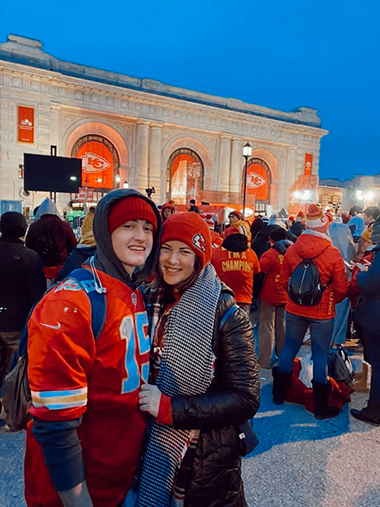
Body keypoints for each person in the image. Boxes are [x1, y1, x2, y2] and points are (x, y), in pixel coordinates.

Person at [24, 189, 162, 507]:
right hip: (77, 488)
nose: (140, 236)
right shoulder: (70, 302)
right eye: (128, 226)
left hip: (119, 474)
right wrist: (78, 499)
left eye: (147, 227)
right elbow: (55, 423)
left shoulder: (133, 289)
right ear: (105, 231)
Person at [134, 212, 260, 507]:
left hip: (202, 454)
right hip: (144, 441)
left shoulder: (226, 312)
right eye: (166, 248)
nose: (172, 260)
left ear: (200, 257)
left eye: (185, 251)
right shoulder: (147, 297)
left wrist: (169, 408)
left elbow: (246, 397)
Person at [273, 204, 349, 419]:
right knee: (320, 354)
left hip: (294, 309)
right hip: (322, 312)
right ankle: (320, 405)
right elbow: (342, 288)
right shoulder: (332, 252)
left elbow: (283, 280)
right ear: (323, 228)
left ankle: (278, 393)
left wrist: (294, 299)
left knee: (289, 347)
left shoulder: (292, 248)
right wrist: (334, 299)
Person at [0, 212, 46, 421]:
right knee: (15, 370)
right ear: (23, 229)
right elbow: (37, 296)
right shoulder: (30, 257)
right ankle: (10, 412)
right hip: (17, 322)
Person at [351, 217, 380, 425]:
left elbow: (370, 285)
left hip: (376, 318)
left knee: (378, 365)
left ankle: (374, 411)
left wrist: (362, 275)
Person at [257, 228, 292, 369]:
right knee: (282, 327)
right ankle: (283, 357)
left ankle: (265, 360)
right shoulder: (291, 252)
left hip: (269, 295)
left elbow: (260, 274)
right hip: (285, 294)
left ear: (271, 240)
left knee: (267, 327)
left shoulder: (269, 255)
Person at [25, 197, 77, 286]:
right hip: (60, 267)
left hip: (40, 268)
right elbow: (73, 245)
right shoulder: (64, 225)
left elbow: (29, 246)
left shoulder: (34, 226)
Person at [211, 223, 260, 314]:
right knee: (242, 326)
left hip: (221, 298)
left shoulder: (215, 254)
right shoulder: (251, 254)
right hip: (244, 298)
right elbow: (257, 276)